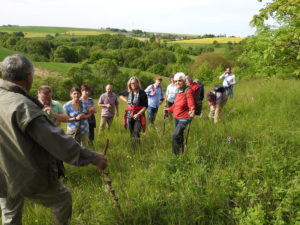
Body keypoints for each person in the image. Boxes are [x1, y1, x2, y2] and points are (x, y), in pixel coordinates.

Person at [0, 54, 107, 225]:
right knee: (63, 199)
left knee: (10, 216)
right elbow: (57, 142)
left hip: (3, 175)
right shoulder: (23, 106)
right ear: (29, 78)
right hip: (26, 174)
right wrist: (93, 157)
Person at [165, 72, 195, 154]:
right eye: (175, 81)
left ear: (184, 81)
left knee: (174, 136)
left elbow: (191, 104)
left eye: (180, 81)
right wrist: (169, 109)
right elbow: (175, 105)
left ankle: (175, 156)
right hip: (176, 117)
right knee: (179, 137)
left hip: (184, 118)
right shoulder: (178, 91)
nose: (177, 83)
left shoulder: (187, 91)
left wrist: (192, 112)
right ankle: (181, 154)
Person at [123, 76, 148, 148]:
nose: (133, 85)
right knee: (131, 133)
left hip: (139, 115)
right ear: (129, 84)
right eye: (131, 83)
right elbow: (120, 95)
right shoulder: (129, 93)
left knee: (136, 132)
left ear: (137, 83)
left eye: (134, 83)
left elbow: (145, 106)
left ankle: (137, 148)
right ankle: (134, 148)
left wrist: (138, 114)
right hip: (129, 115)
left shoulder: (142, 93)